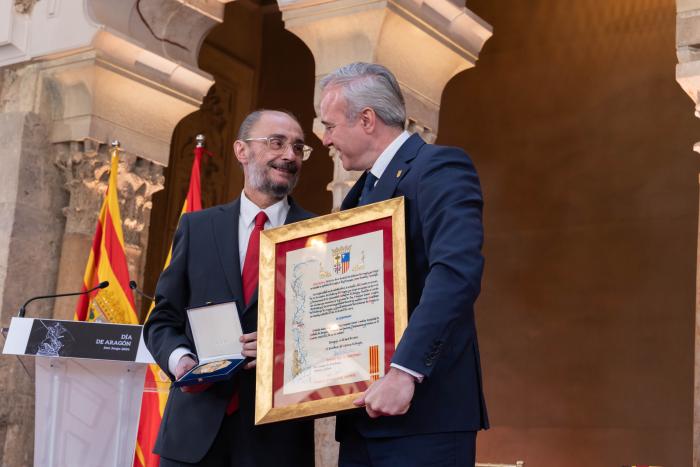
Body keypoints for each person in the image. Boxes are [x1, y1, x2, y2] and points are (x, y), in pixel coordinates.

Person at [318, 63, 489, 466]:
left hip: (424, 416)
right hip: (364, 416)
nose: (325, 139)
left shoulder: (439, 167)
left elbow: (455, 274)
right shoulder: (360, 193)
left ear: (366, 119)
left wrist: (404, 372)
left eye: (329, 126)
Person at [144, 110, 316, 467]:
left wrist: (282, 347)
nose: (289, 155)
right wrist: (181, 362)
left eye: (298, 148)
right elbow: (162, 321)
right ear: (241, 150)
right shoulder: (197, 227)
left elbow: (335, 331)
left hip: (276, 440)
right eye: (276, 143)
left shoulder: (321, 234)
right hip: (192, 434)